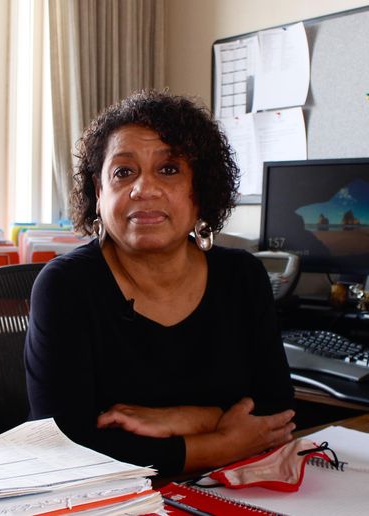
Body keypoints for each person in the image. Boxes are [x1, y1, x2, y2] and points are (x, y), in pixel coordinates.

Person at [24, 90, 296, 476]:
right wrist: (219, 442)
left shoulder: (243, 277)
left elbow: (276, 414)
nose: (143, 189)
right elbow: (66, 443)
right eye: (123, 172)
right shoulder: (67, 286)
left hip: (234, 490)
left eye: (168, 169)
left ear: (200, 192)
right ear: (99, 194)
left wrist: (186, 419)